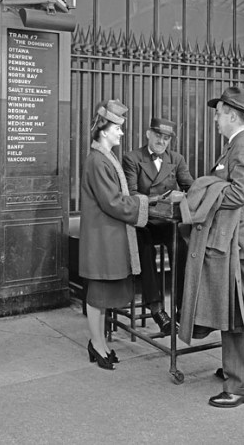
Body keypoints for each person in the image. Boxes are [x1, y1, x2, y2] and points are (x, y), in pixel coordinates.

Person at [183, 86, 244, 409]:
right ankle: (236, 370)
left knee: (240, 315)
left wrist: (206, 193)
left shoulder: (242, 146)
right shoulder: (239, 144)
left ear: (232, 115)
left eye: (218, 114)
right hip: (237, 240)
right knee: (234, 311)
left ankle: (243, 385)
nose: (215, 119)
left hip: (239, 243)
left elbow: (239, 192)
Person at [79, 99, 151, 370]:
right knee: (98, 295)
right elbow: (112, 202)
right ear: (104, 130)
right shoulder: (98, 160)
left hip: (105, 236)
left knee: (102, 294)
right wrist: (144, 202)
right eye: (117, 128)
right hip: (102, 238)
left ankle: (99, 343)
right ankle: (97, 344)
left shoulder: (103, 157)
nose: (121, 133)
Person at [122, 117, 193, 335]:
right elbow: (132, 194)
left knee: (182, 247)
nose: (161, 141)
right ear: (148, 134)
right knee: (145, 249)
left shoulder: (177, 159)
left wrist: (185, 195)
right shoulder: (132, 158)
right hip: (143, 221)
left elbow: (190, 186)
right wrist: (159, 199)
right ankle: (157, 309)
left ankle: (183, 309)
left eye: (166, 138)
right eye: (158, 136)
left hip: (166, 222)